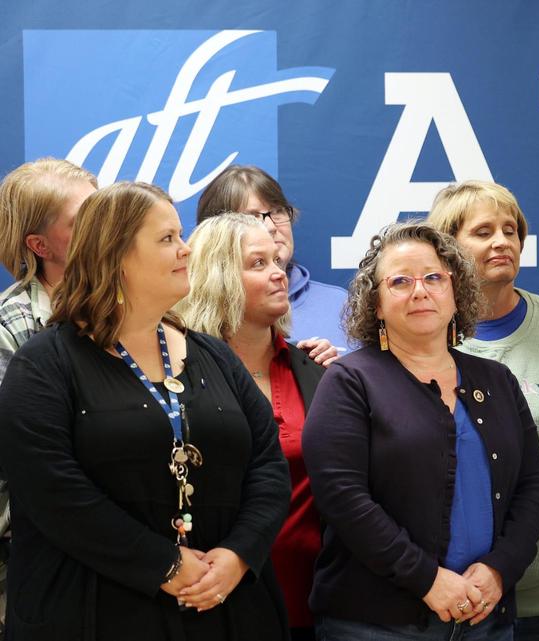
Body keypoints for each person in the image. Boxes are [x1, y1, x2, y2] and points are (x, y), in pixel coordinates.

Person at [0, 182, 291, 640]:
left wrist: (238, 555)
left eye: (181, 235)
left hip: (226, 606)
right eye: (167, 238)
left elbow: (268, 466)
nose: (186, 249)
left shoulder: (215, 356)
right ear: (114, 254)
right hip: (92, 611)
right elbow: (50, 490)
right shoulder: (43, 364)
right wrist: (163, 564)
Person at [303, 222, 539, 640]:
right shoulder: (348, 381)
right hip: (377, 625)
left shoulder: (497, 380)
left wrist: (500, 569)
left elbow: (533, 485)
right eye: (400, 281)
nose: (420, 291)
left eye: (434, 278)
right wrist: (428, 580)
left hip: (485, 616)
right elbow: (342, 497)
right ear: (376, 305)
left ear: (456, 292)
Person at [429, 181, 539, 640]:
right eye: (483, 231)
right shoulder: (423, 337)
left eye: (510, 231)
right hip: (455, 596)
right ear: (447, 249)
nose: (502, 242)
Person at [177, 213, 334, 641]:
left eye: (278, 262)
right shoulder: (178, 376)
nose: (279, 274)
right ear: (218, 276)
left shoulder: (316, 369)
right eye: (258, 263)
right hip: (216, 598)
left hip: (320, 604)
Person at [0, 157, 96, 637]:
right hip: (43, 569)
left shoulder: (147, 310)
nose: (103, 227)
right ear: (39, 246)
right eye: (83, 221)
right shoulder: (11, 329)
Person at [196, 165, 350, 352]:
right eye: (252, 217)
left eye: (277, 211)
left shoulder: (341, 304)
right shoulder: (189, 318)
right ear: (216, 234)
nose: (271, 226)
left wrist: (335, 369)